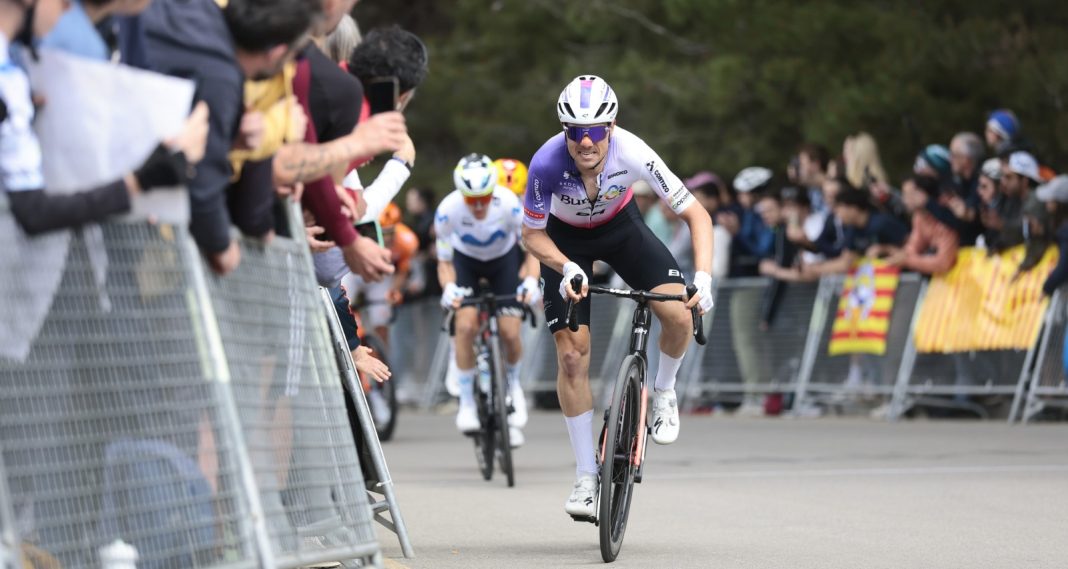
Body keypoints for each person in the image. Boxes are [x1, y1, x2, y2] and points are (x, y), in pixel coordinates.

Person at [520, 75, 714, 518]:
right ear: (565, 131)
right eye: (575, 132)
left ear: (611, 126)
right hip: (564, 241)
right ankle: (586, 477)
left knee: (679, 315)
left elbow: (697, 215)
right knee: (572, 355)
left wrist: (703, 277)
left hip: (622, 230)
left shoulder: (634, 151)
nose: (585, 142)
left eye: (594, 130)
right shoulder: (546, 162)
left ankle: (663, 391)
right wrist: (565, 265)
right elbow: (531, 235)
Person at [141, 0, 322, 274]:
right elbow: (202, 177)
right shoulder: (222, 79)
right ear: (276, 52)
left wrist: (234, 141)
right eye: (293, 56)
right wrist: (223, 246)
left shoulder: (198, 10)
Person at [436, 154, 541, 447]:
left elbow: (533, 247)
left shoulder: (510, 204)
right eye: (472, 200)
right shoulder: (447, 211)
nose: (479, 206)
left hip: (503, 263)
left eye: (484, 198)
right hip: (466, 263)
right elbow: (444, 262)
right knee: (465, 326)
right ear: (461, 194)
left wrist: (531, 280)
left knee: (510, 332)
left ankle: (514, 384)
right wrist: (448, 287)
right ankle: (467, 402)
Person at [883, 176, 960, 274]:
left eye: (909, 195)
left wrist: (908, 261)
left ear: (923, 195)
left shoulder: (943, 219)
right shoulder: (918, 216)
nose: (904, 200)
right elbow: (914, 243)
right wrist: (902, 255)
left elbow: (943, 263)